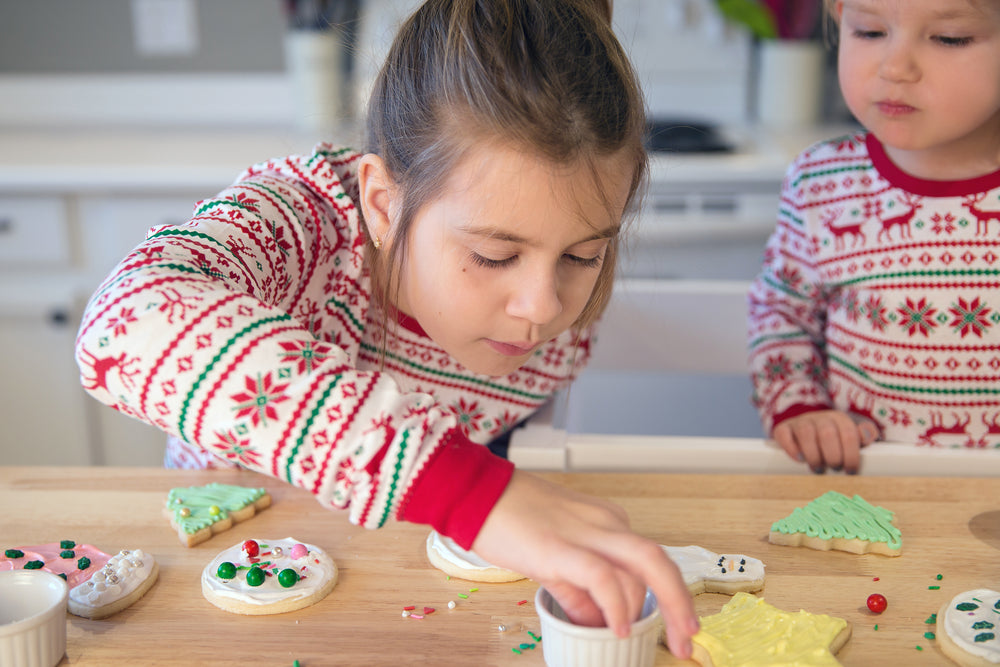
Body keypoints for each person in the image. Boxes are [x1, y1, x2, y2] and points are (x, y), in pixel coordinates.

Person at [75, 0, 699, 655]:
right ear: (382, 203)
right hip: (227, 580)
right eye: (493, 255)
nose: (542, 307)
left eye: (582, 255)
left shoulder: (551, 318)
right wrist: (464, 489)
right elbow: (122, 324)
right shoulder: (304, 228)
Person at [747, 0, 1000, 474]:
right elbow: (780, 313)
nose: (895, 67)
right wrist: (803, 409)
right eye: (869, 32)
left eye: (949, 39)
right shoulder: (820, 184)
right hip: (863, 492)